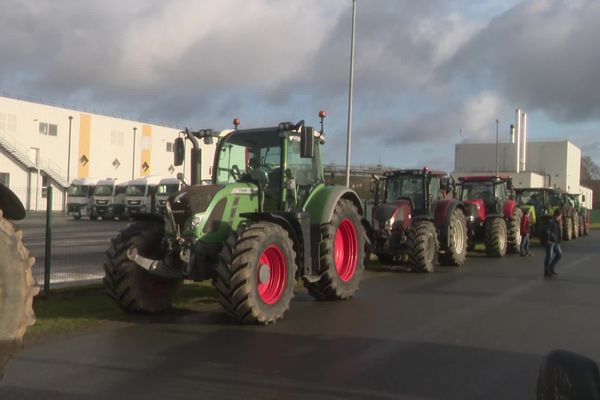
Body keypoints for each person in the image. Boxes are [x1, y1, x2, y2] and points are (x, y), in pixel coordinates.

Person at [543, 209, 562, 278]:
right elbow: (547, 231)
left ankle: (551, 268)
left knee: (559, 254)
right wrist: (549, 239)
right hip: (550, 242)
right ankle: (547, 271)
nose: (561, 218)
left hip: (556, 242)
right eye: (560, 216)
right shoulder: (551, 221)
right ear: (558, 215)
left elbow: (558, 231)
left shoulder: (557, 222)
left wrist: (559, 239)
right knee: (549, 256)